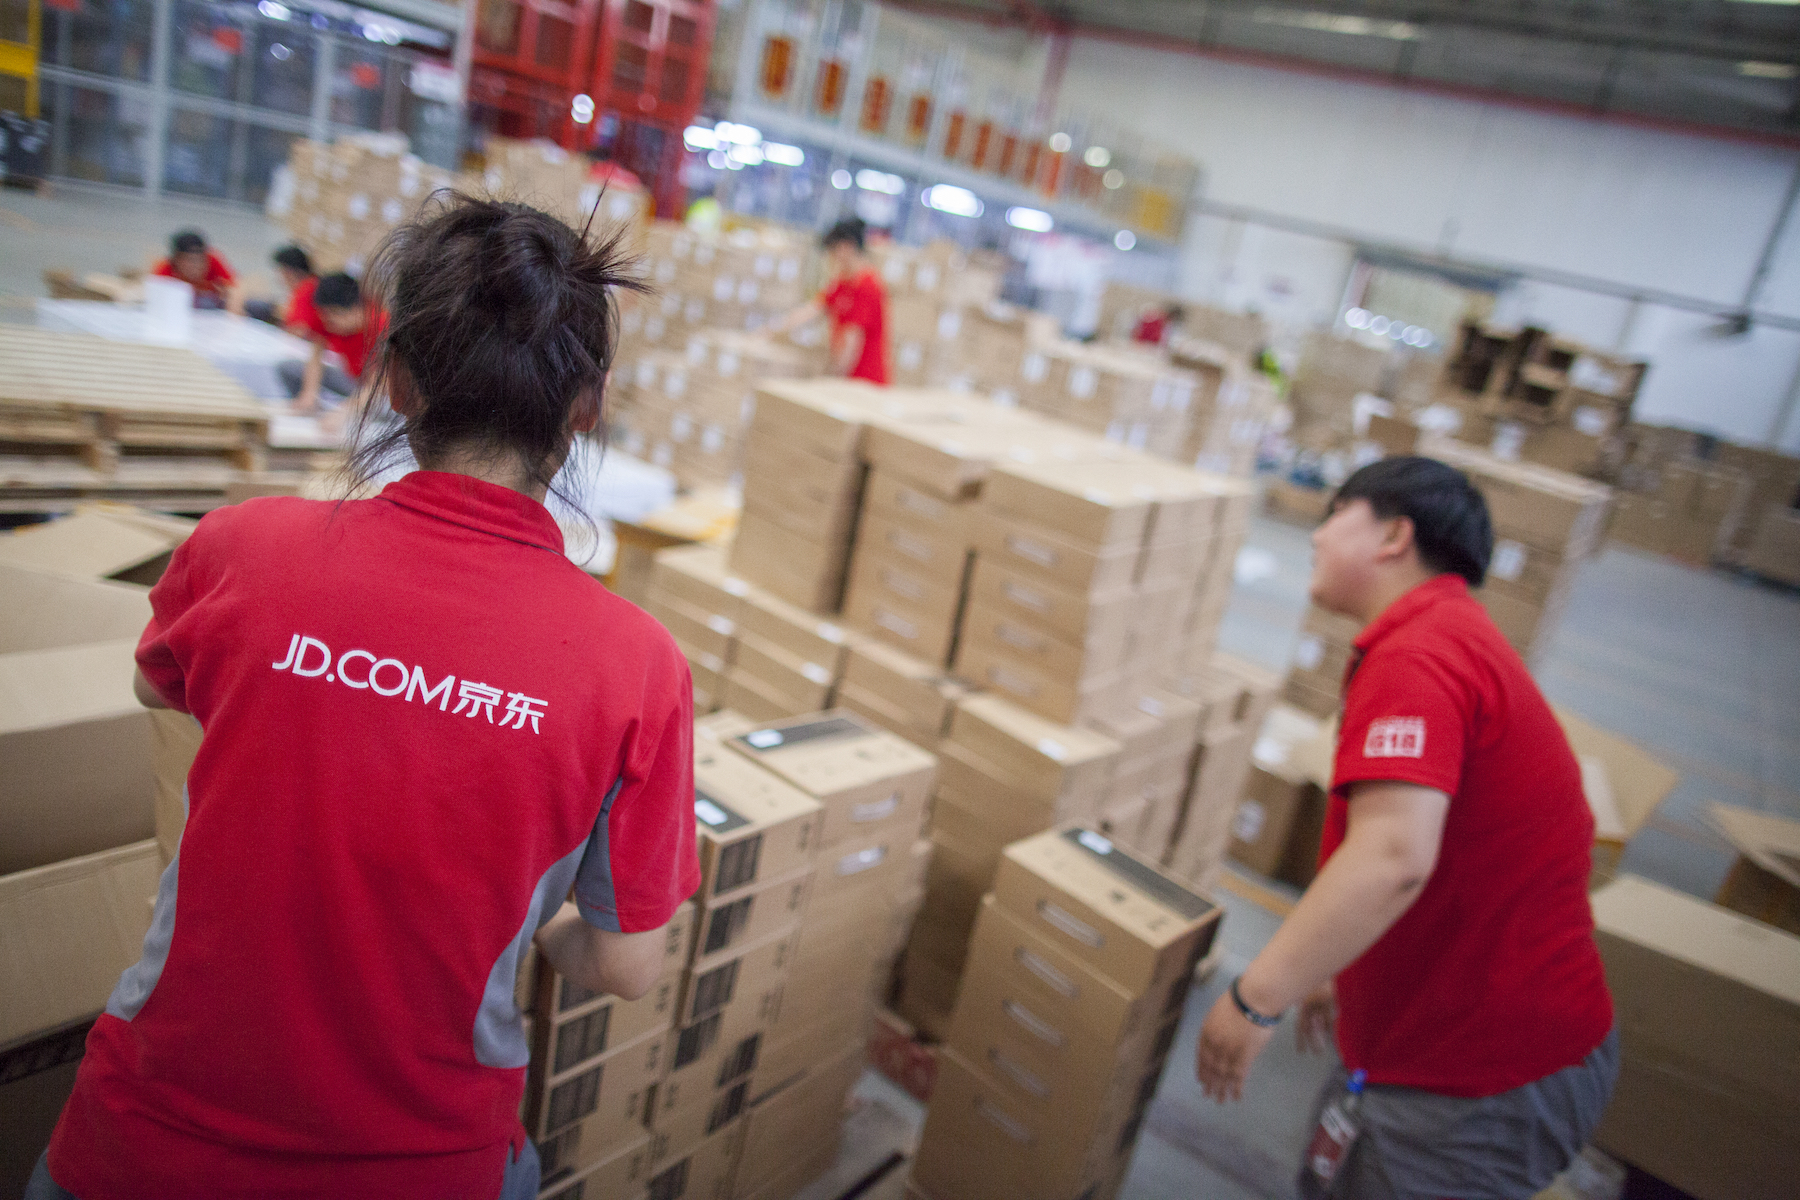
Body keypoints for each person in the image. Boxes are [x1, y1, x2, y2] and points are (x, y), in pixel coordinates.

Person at [31, 194, 696, 1200]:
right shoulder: (635, 666)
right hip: (423, 1166)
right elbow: (629, 964)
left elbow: (153, 680)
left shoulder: (239, 549)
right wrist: (546, 925)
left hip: (142, 1143)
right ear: (586, 409)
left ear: (393, 381)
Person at [1194, 456, 1617, 1200]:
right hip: (1440, 1042)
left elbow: (1394, 855)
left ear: (1393, 535)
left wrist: (1256, 996)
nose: (1317, 535)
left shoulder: (1420, 656)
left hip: (1477, 1072)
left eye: (1335, 515)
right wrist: (1340, 962)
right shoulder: (1449, 635)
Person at [772, 217, 889, 384]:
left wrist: (831, 379)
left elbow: (852, 341)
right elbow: (812, 310)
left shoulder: (868, 285)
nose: (832, 258)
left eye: (834, 251)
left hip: (863, 382)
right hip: (846, 379)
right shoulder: (841, 283)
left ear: (847, 247)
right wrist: (772, 329)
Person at [281, 271, 388, 414]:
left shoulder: (380, 326)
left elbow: (379, 385)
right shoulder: (327, 320)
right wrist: (308, 394)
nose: (329, 323)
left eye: (334, 316)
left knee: (384, 409)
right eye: (325, 317)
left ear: (357, 309)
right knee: (289, 367)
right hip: (353, 381)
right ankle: (310, 408)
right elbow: (315, 360)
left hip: (381, 392)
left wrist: (343, 413)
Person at [153, 229, 239, 311]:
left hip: (213, 305)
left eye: (200, 260)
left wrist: (233, 306)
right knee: (204, 303)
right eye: (190, 260)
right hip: (186, 306)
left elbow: (235, 288)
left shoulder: (212, 260)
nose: (196, 266)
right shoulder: (165, 270)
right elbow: (159, 299)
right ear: (176, 259)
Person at [243, 244, 316, 328]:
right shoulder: (306, 286)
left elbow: (298, 325)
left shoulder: (307, 290)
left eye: (280, 272)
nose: (279, 277)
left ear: (289, 272)